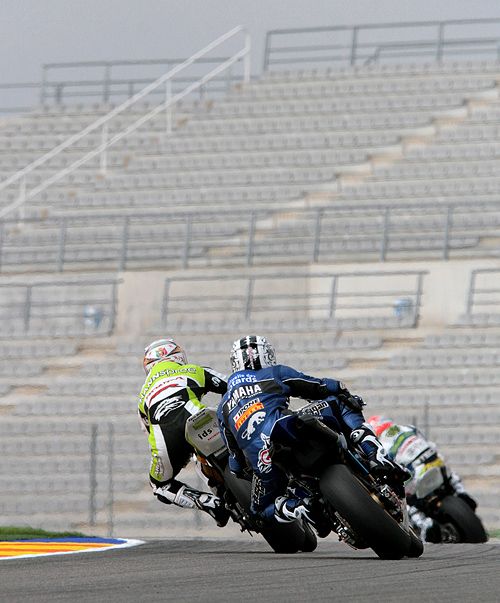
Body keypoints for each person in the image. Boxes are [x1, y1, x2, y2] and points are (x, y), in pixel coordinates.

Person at [217, 334, 407, 531]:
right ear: (268, 355)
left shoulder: (223, 407)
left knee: (260, 509)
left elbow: (235, 461)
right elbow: (320, 386)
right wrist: (344, 391)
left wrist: (248, 467)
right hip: (287, 426)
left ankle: (300, 508)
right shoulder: (274, 372)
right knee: (341, 402)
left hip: (264, 460)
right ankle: (375, 455)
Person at [138, 337, 230, 527]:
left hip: (166, 440)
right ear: (178, 356)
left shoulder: (143, 396)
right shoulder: (194, 370)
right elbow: (232, 386)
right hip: (201, 419)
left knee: (159, 485)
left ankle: (209, 502)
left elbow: (149, 432)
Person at [367, 415, 478, 542]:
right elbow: (426, 442)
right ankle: (461, 492)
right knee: (449, 474)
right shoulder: (408, 428)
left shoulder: (381, 445)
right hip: (435, 462)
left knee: (400, 499)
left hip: (416, 473)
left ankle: (424, 524)